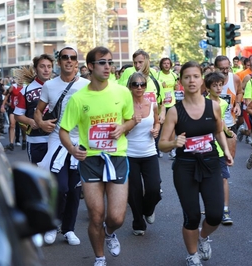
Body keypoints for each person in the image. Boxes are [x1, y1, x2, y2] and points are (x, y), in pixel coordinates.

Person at [59, 46, 135, 266]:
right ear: (90, 67)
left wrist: (123, 128)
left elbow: (130, 119)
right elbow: (64, 130)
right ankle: (100, 257)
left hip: (117, 158)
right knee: (95, 215)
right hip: (90, 160)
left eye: (110, 62)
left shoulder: (122, 92)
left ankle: (110, 233)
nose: (107, 66)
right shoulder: (78, 98)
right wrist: (73, 150)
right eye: (102, 62)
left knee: (117, 217)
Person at [158, 61, 233, 266]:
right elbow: (163, 144)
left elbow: (218, 131)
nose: (191, 80)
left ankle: (203, 236)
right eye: (187, 77)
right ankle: (192, 255)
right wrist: (174, 142)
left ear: (202, 80)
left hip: (210, 163)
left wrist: (225, 150)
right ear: (181, 81)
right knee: (191, 215)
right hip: (185, 166)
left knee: (215, 214)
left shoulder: (213, 106)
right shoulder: (175, 111)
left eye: (195, 76)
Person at [35, 47, 90, 246]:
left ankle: (68, 230)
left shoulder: (87, 85)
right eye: (65, 57)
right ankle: (52, 225)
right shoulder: (49, 85)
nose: (68, 61)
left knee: (75, 190)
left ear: (77, 62)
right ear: (59, 61)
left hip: (80, 142)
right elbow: (38, 112)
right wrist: (41, 123)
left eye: (72, 58)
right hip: (58, 140)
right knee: (60, 187)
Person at [126, 72, 162, 236]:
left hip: (149, 152)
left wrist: (156, 130)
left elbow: (156, 121)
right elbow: (119, 131)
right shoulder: (125, 106)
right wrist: (132, 123)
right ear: (130, 86)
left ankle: (148, 209)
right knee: (134, 192)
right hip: (130, 153)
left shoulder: (152, 103)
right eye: (135, 84)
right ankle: (138, 222)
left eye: (142, 84)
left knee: (154, 188)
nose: (139, 87)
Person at [205, 71, 235, 226]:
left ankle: (224, 210)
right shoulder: (202, 102)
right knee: (206, 179)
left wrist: (227, 131)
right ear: (208, 88)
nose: (218, 88)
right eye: (214, 85)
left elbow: (221, 122)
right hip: (204, 147)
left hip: (218, 147)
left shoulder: (223, 103)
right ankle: (210, 206)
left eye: (220, 85)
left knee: (224, 177)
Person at [13, 54, 54, 164]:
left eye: (49, 66)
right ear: (36, 69)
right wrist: (30, 121)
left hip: (57, 140)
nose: (46, 70)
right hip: (37, 141)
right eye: (42, 66)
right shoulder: (26, 91)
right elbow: (17, 115)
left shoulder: (59, 87)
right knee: (40, 177)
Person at [157, 57, 179, 159]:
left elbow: (176, 87)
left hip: (172, 103)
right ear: (161, 65)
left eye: (168, 63)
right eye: (164, 63)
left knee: (172, 126)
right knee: (160, 125)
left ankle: (172, 149)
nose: (166, 65)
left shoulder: (174, 75)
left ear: (170, 65)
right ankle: (158, 149)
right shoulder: (157, 75)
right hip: (161, 103)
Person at [1, 78, 24, 151]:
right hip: (13, 109)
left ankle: (24, 140)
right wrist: (3, 105)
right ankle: (11, 143)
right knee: (12, 125)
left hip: (22, 109)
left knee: (23, 126)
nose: (20, 80)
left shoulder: (26, 87)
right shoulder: (13, 86)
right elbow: (6, 96)